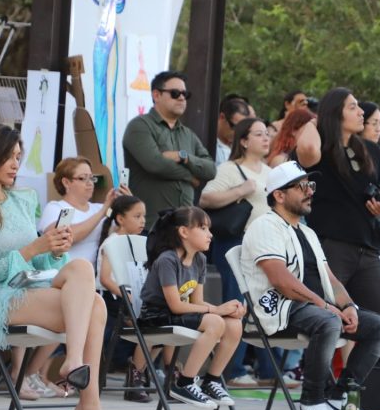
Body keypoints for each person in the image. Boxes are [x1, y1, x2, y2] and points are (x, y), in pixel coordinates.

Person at [0, 123, 121, 410]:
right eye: (9, 157)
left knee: (82, 271)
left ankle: (76, 368)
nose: (16, 164)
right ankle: (88, 403)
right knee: (96, 305)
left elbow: (44, 265)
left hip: (30, 287)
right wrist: (33, 249)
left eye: (18, 156)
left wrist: (55, 249)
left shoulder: (22, 200)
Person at [240, 161, 380, 410]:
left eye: (310, 185)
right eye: (301, 187)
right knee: (328, 321)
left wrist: (348, 305)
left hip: (313, 308)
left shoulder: (307, 232)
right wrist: (325, 306)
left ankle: (340, 398)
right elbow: (280, 280)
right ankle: (312, 401)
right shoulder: (265, 225)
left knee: (379, 326)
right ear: (279, 195)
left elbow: (330, 278)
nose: (310, 191)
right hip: (281, 307)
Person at [294, 87, 380, 361]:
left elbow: (378, 191)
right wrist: (316, 119)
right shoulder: (322, 148)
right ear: (334, 113)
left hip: (367, 245)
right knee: (328, 316)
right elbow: (306, 149)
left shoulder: (371, 150)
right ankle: (319, 382)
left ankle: (370, 381)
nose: (361, 112)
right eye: (352, 107)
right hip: (330, 245)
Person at [136, 206, 244, 410]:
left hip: (177, 313)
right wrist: (216, 311)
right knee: (215, 322)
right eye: (203, 228)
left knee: (234, 325)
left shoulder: (199, 260)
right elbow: (175, 305)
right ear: (184, 232)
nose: (210, 234)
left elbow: (198, 302)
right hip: (156, 315)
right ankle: (184, 383)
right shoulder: (167, 260)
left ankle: (211, 381)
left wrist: (225, 309)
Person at [200, 116, 273, 388]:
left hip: (266, 247)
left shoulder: (269, 171)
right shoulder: (230, 169)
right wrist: (242, 189)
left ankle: (269, 370)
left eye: (266, 133)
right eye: (258, 134)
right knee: (236, 304)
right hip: (237, 244)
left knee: (266, 304)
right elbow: (206, 198)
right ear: (243, 141)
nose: (266, 138)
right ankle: (233, 369)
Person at [121, 71, 216, 220]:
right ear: (156, 95)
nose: (181, 98)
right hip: (149, 224)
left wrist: (184, 157)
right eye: (175, 93)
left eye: (185, 94)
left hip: (183, 225)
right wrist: (190, 176)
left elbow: (211, 169)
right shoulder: (140, 126)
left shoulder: (188, 134)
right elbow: (155, 164)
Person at [97, 194, 150, 402]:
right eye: (137, 216)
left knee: (163, 321)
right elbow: (105, 279)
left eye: (144, 216)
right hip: (113, 302)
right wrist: (129, 296)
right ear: (120, 219)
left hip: (132, 299)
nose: (142, 221)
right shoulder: (112, 242)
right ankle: (135, 375)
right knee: (149, 327)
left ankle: (142, 371)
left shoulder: (138, 242)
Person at [39, 158, 129, 267]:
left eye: (91, 178)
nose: (90, 183)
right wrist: (103, 211)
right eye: (82, 178)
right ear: (66, 182)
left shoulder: (101, 208)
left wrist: (129, 205)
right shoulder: (56, 207)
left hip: (98, 274)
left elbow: (122, 230)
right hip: (66, 273)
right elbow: (63, 238)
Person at [214, 96, 251, 165]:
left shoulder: (242, 148)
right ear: (222, 117)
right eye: (234, 126)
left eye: (241, 129)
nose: (237, 132)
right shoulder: (206, 141)